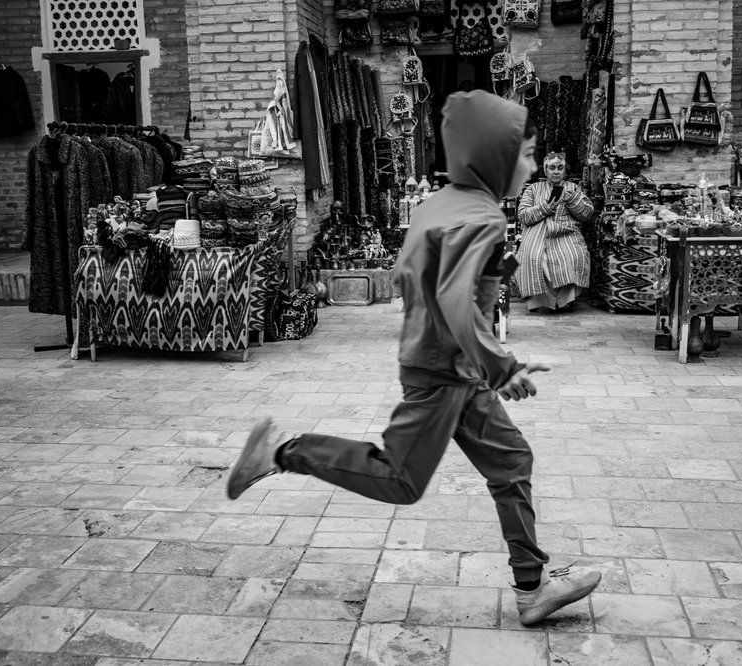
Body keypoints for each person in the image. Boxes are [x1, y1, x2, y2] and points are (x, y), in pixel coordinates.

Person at [226, 90, 601, 626]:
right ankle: (283, 453)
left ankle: (531, 585)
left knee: (511, 460)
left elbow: (421, 279)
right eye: (525, 153)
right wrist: (502, 366)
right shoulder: (481, 216)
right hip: (444, 372)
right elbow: (452, 298)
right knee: (400, 479)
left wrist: (492, 289)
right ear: (491, 155)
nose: (533, 165)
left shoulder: (443, 204)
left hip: (450, 365)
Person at [515, 152, 594, 313]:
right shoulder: (533, 189)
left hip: (566, 233)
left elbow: (587, 214)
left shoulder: (573, 188)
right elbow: (523, 215)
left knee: (573, 255)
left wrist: (573, 200)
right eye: (552, 168)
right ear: (546, 170)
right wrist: (546, 207)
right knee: (534, 257)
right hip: (538, 234)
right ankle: (542, 301)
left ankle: (565, 301)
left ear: (565, 171)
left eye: (560, 168)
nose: (556, 171)